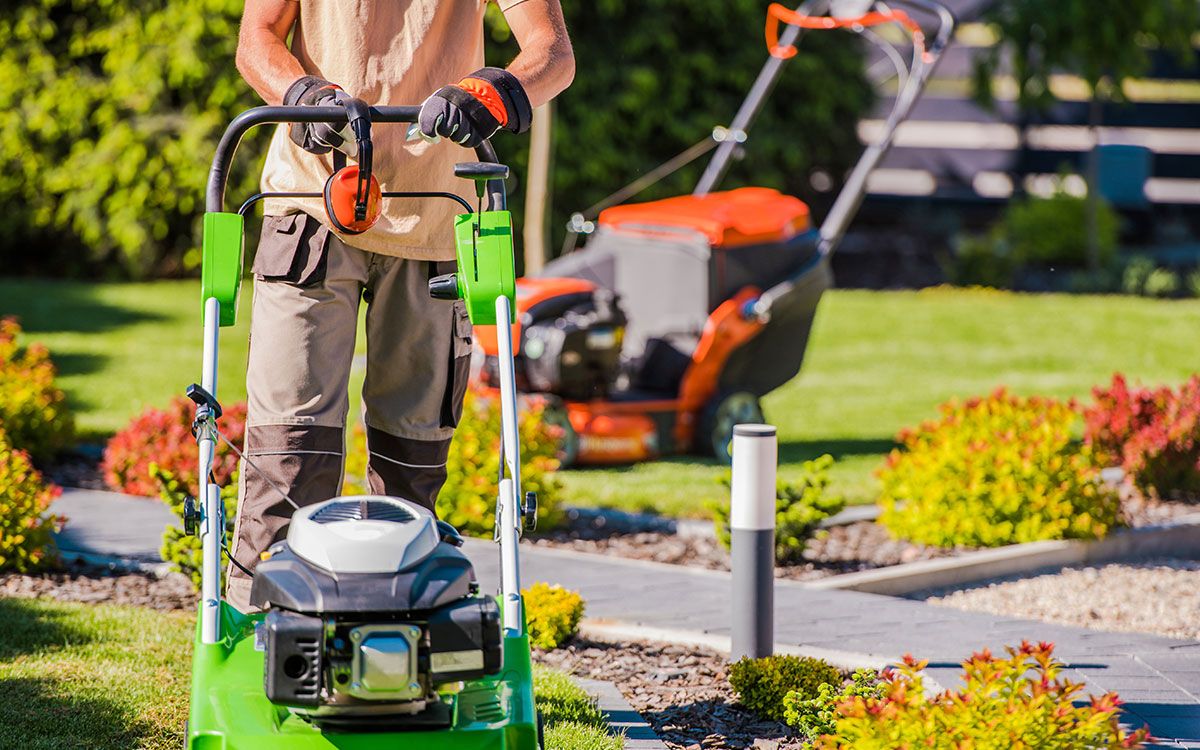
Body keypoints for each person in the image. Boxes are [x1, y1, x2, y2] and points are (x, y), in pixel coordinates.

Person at [226, 0, 574, 611]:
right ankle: (259, 631)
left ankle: (401, 631)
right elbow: (256, 38)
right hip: (312, 205)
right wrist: (300, 93)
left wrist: (491, 94)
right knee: (288, 450)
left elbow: (551, 53)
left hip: (437, 215)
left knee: (411, 463)